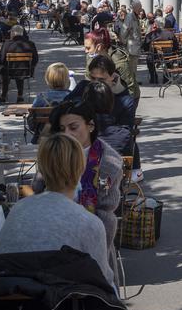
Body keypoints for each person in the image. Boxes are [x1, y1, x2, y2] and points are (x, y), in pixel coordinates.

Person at [0, 132, 114, 287]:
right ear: (81, 168)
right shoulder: (90, 224)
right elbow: (104, 283)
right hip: (64, 306)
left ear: (41, 169)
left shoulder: (18, 210)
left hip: (10, 304)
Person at [38, 98, 123, 268]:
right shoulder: (54, 152)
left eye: (73, 127)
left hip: (92, 234)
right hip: (50, 230)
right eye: (62, 129)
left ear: (90, 126)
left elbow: (105, 211)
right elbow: (38, 187)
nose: (67, 134)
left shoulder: (108, 163)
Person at [83, 28, 139, 100]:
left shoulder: (119, 61)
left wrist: (126, 106)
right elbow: (88, 79)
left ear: (99, 47)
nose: (86, 51)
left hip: (123, 97)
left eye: (88, 48)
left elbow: (130, 88)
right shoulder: (90, 57)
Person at [0, 24, 38, 103]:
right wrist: (31, 67)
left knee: (5, 69)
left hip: (9, 71)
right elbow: (35, 59)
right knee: (20, 69)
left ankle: (3, 95)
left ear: (13, 33)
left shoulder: (7, 44)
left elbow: (1, 60)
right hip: (26, 71)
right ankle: (20, 95)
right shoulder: (30, 44)